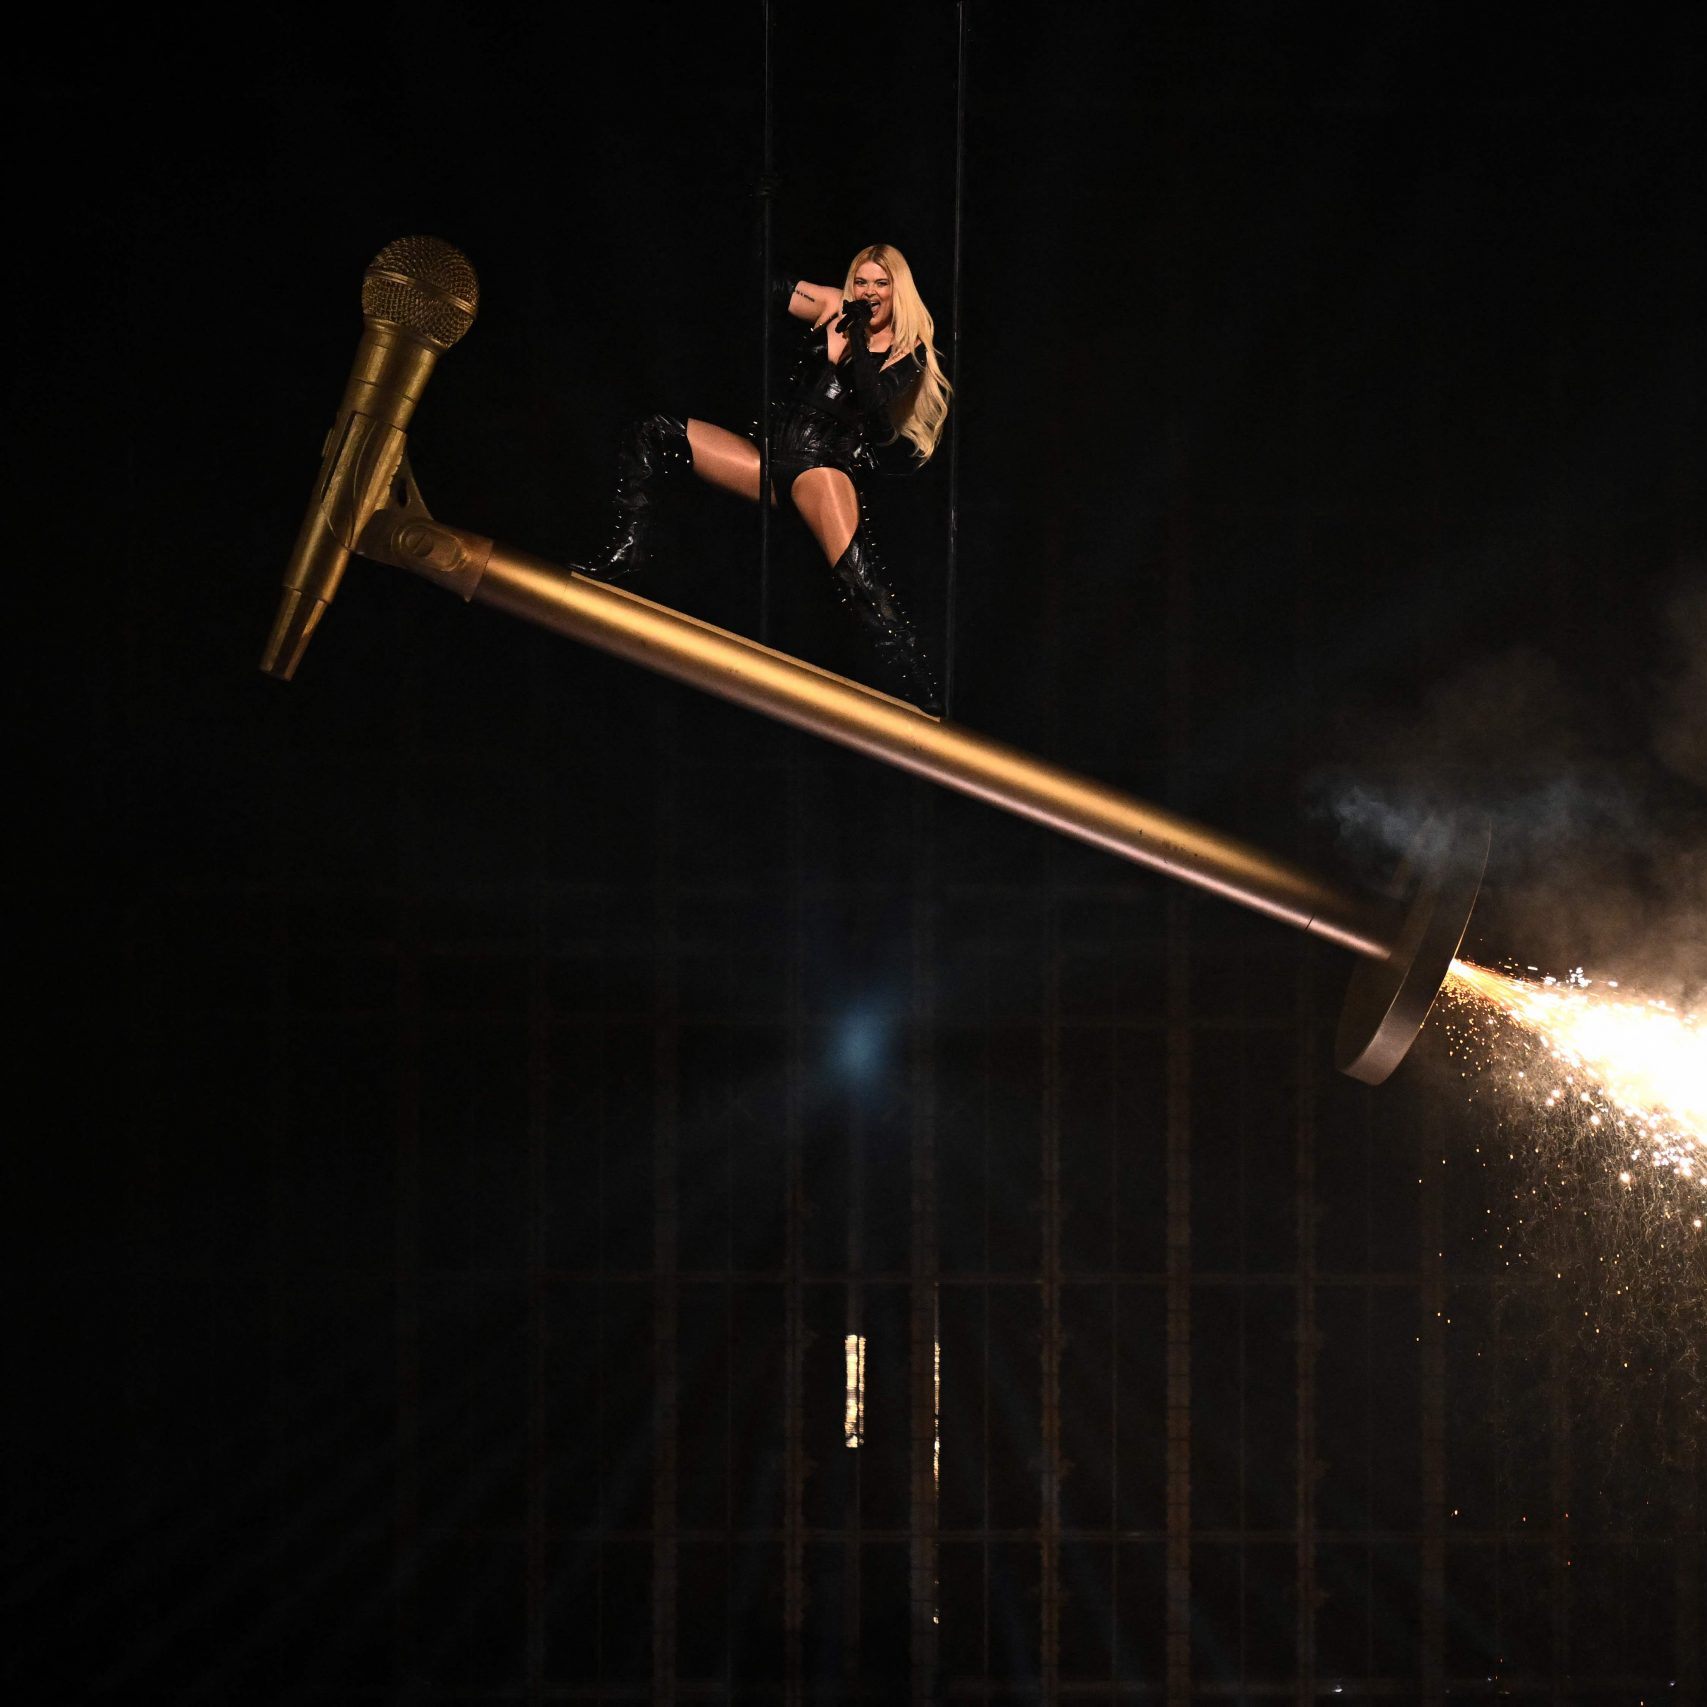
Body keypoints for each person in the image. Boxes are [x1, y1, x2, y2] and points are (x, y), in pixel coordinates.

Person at [576, 244, 952, 713]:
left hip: (819, 467)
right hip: (769, 457)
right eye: (862, 281)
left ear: (898, 291)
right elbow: (768, 287)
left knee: (859, 577)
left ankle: (920, 684)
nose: (869, 292)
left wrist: (850, 345)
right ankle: (626, 557)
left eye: (881, 284)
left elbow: (877, 420)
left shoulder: (904, 349)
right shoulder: (834, 304)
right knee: (654, 432)